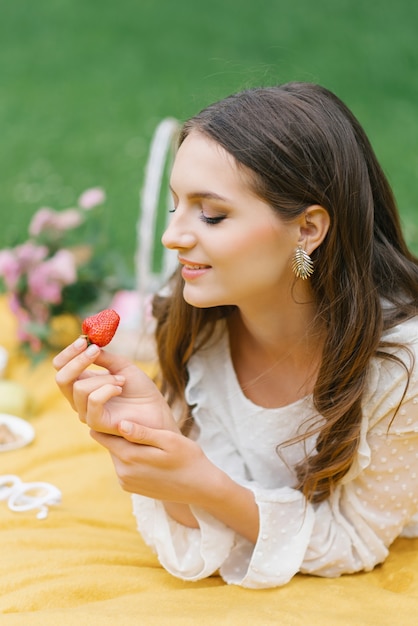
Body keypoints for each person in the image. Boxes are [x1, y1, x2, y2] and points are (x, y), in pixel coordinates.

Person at [53, 82, 418, 589]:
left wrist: (205, 483)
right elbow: (213, 514)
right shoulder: (197, 324)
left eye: (211, 214)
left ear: (307, 229)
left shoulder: (402, 367)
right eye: (175, 205)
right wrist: (155, 438)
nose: (172, 236)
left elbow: (353, 539)